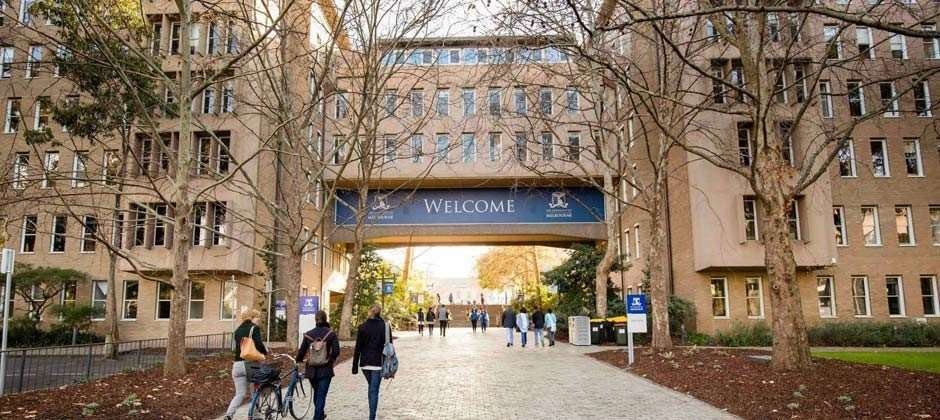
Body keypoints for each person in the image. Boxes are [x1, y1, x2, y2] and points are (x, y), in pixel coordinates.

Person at [223, 309, 268, 420]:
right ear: (252, 317)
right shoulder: (254, 328)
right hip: (251, 365)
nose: (259, 320)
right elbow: (258, 344)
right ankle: (255, 416)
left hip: (237, 365)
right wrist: (264, 352)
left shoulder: (237, 331)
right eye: (257, 317)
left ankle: (228, 415)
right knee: (255, 391)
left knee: (240, 394)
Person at [295, 310, 340, 420]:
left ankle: (320, 414)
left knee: (318, 393)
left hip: (311, 370)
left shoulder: (308, 334)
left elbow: (301, 352)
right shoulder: (331, 334)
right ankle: (317, 417)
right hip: (325, 370)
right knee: (321, 394)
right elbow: (336, 351)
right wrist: (330, 360)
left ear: (315, 320)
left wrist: (299, 360)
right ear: (326, 319)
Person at [353, 304, 393, 420]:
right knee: (373, 389)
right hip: (378, 363)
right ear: (379, 313)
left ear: (369, 312)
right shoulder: (385, 326)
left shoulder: (362, 327)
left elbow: (358, 347)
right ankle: (372, 417)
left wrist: (355, 365)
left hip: (365, 364)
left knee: (372, 387)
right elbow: (390, 345)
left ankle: (372, 414)